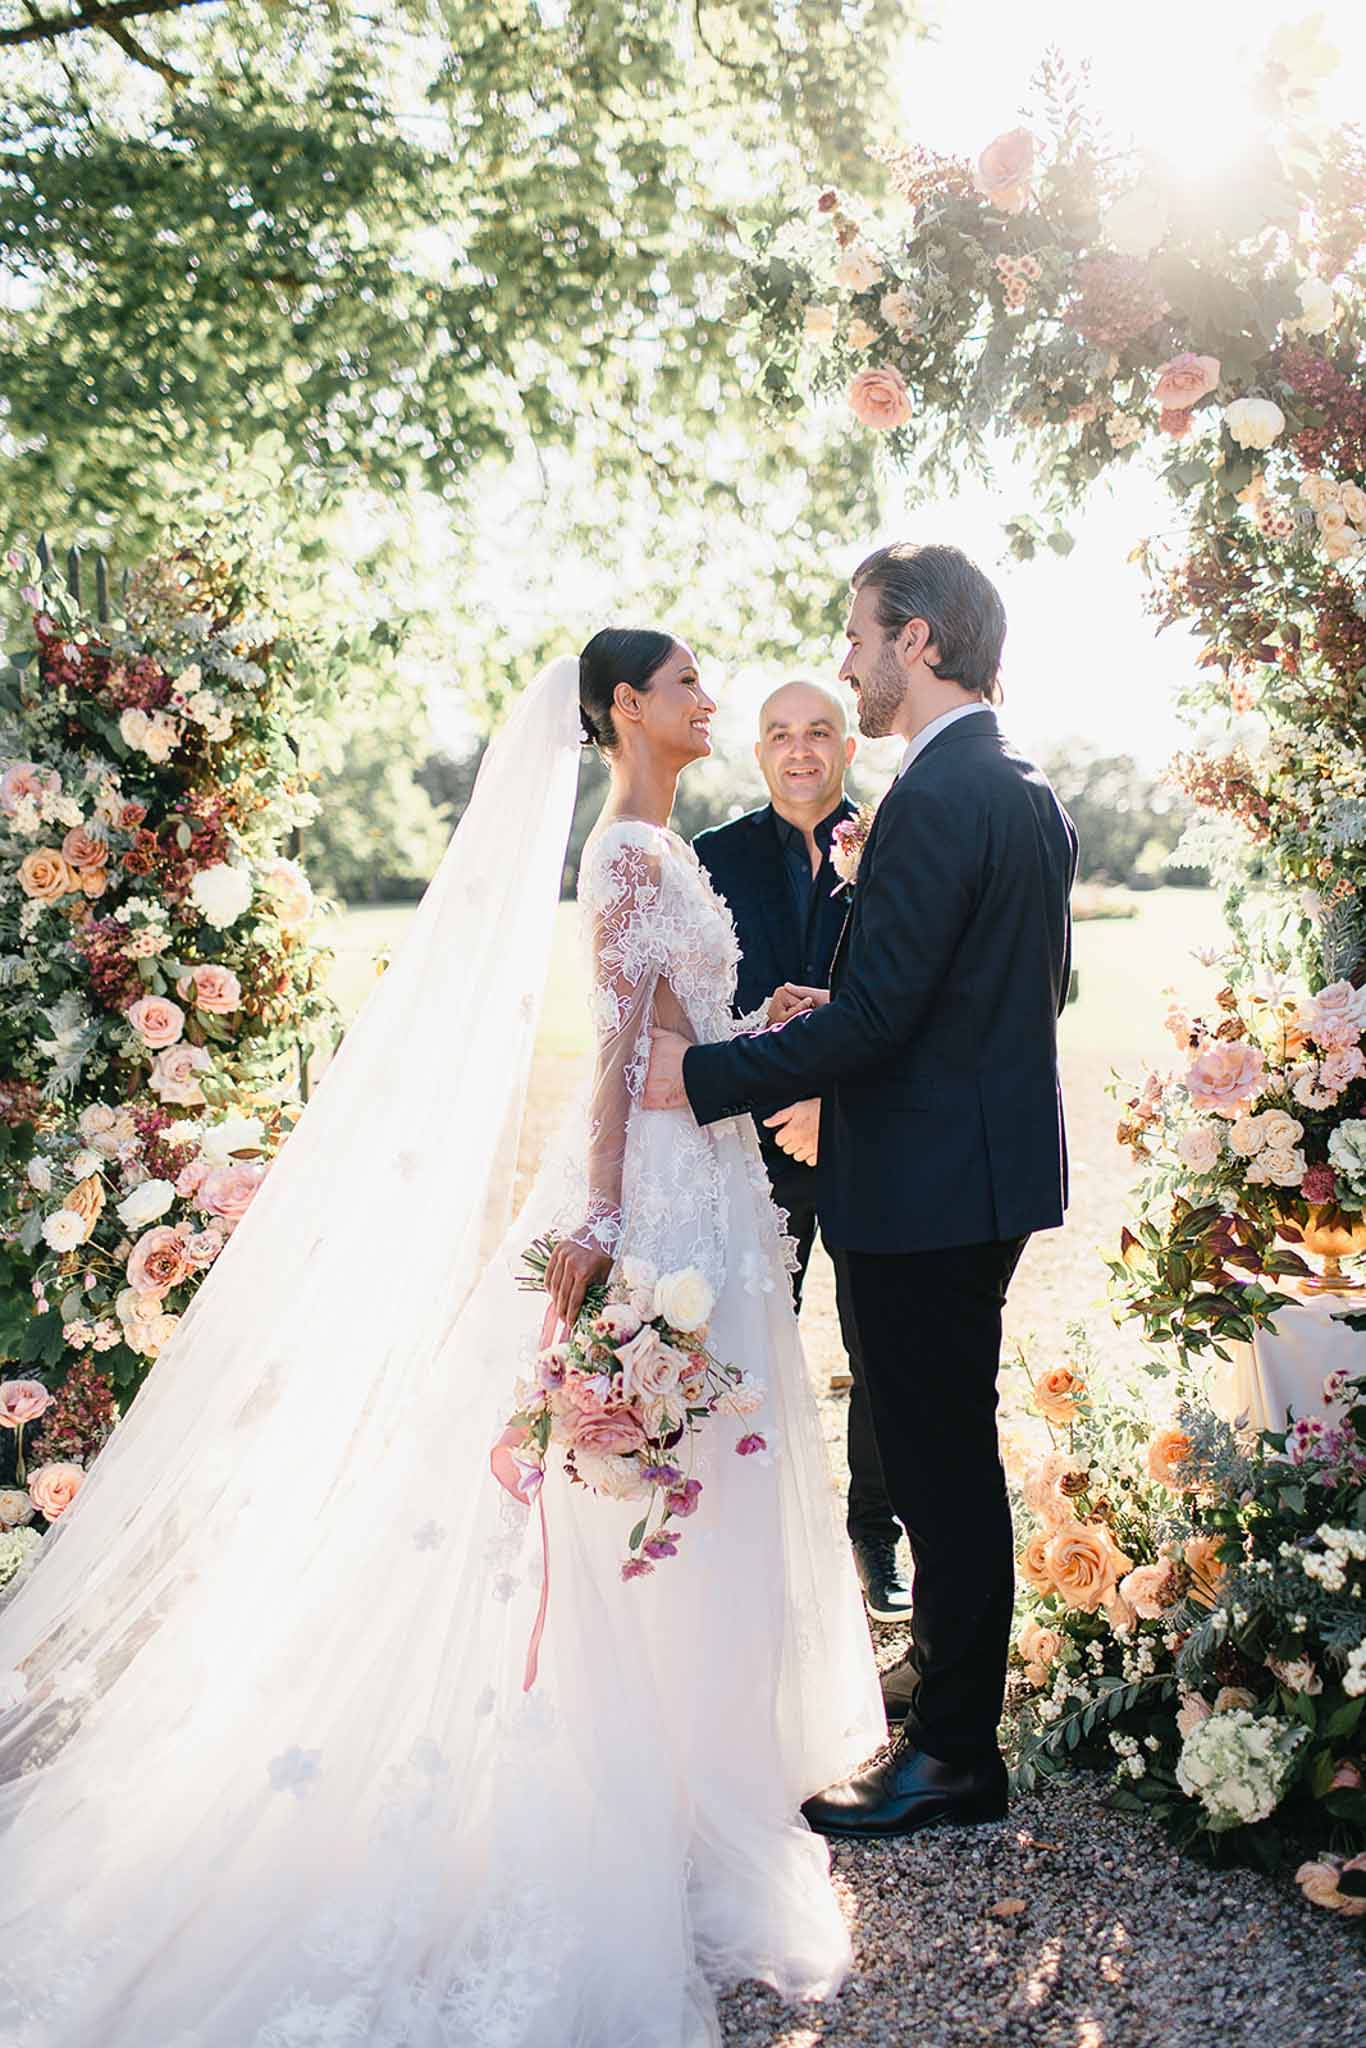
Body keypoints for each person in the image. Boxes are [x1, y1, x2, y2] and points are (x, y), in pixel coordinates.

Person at [0, 633, 883, 2048]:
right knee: (639, 1486)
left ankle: (687, 1772)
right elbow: (613, 1052)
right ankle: (630, 1790)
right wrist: (599, 1220)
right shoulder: (628, 855)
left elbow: (677, 1026)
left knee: (685, 1487)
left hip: (710, 1193)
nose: (706, 703)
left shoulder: (659, 845)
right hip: (660, 1208)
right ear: (621, 711)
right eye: (683, 687)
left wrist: (765, 1020)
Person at [643, 543, 1079, 1841]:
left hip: (926, 1186)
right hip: (973, 1177)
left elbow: (889, 1018)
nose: (845, 659)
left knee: (938, 1471)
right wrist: (848, 1009)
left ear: (922, 641)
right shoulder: (1015, 785)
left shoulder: (941, 793)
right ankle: (946, 1709)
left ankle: (951, 1756)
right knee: (944, 1456)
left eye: (858, 637)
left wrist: (702, 1074)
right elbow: (1003, 998)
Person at [692, 681, 909, 1622]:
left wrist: (835, 1093)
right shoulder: (713, 857)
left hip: (871, 1137)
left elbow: (908, 998)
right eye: (780, 734)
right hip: (751, 1143)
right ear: (759, 752)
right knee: (752, 1339)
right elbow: (703, 1005)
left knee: (880, 1348)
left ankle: (873, 1531)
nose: (800, 750)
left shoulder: (899, 841)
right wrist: (784, 1088)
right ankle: (754, 1528)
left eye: (819, 731)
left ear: (849, 747)